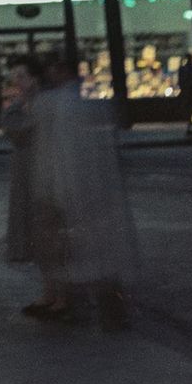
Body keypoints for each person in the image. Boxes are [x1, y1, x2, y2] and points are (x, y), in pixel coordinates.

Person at [26, 53, 137, 329]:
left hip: (76, 191)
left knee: (84, 253)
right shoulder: (85, 104)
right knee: (99, 254)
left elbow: (62, 155)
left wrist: (59, 192)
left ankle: (96, 308)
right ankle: (109, 308)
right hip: (94, 193)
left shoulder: (62, 105)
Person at [1, 55, 41, 268]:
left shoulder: (37, 102)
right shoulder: (19, 104)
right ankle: (24, 248)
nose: (17, 80)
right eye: (15, 76)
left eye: (21, 76)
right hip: (24, 161)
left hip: (36, 160)